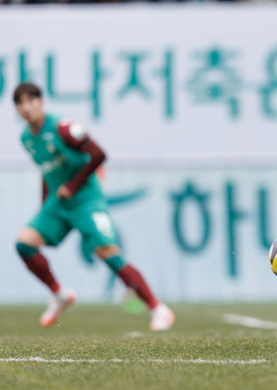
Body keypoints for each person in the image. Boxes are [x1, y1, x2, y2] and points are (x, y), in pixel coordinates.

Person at [13, 83, 175, 330]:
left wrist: (74, 185)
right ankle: (59, 294)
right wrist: (44, 206)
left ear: (41, 102)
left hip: (86, 199)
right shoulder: (26, 138)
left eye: (30, 101)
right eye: (20, 103)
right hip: (59, 202)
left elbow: (99, 153)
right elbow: (46, 171)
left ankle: (158, 308)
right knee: (24, 242)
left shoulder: (62, 126)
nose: (26, 107)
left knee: (107, 253)